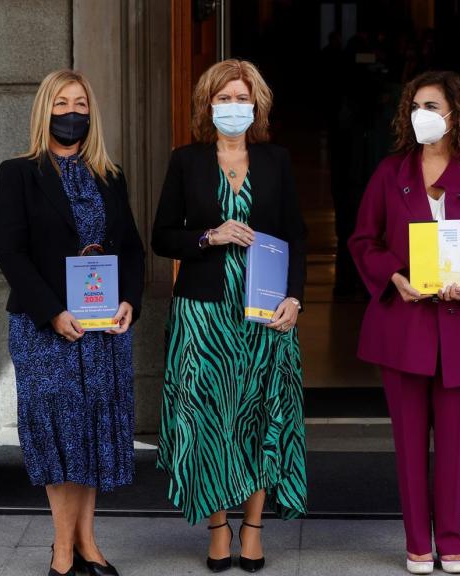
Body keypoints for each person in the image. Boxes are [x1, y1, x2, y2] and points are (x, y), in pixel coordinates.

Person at [349, 70, 460, 575]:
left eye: (433, 106)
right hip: (403, 327)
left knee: (454, 447)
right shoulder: (389, 173)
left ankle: (451, 539)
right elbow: (363, 241)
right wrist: (393, 275)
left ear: (457, 114)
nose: (422, 114)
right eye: (416, 105)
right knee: (407, 446)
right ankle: (417, 542)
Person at [152, 59, 307, 573]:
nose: (233, 108)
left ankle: (254, 530)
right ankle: (218, 529)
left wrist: (295, 298)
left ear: (257, 105)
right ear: (207, 105)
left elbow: (297, 236)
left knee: (260, 415)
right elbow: (161, 237)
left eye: (242, 99)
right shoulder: (186, 160)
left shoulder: (277, 160)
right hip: (203, 313)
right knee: (209, 418)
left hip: (264, 311)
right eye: (224, 99)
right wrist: (208, 236)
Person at [0, 69, 145, 576]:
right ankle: (62, 550)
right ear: (44, 110)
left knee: (92, 433)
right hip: (44, 330)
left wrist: (130, 302)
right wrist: (53, 312)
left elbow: (132, 251)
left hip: (103, 328)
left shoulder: (110, 174)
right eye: (61, 103)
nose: (71, 112)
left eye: (80, 102)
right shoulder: (18, 173)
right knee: (58, 434)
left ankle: (87, 543)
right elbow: (9, 253)